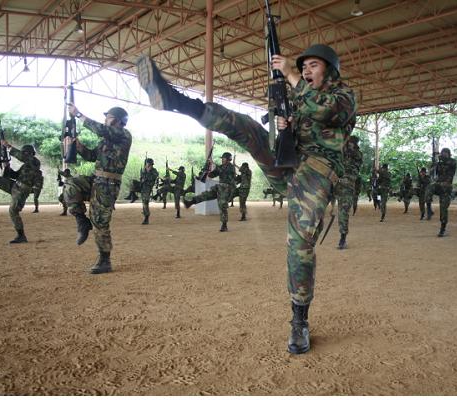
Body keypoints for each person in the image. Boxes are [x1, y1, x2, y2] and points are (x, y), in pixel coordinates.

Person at [137, 42, 356, 354]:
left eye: (313, 66)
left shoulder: (344, 94)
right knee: (247, 127)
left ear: (331, 70)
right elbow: (301, 119)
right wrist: (287, 125)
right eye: (303, 66)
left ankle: (299, 320)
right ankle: (177, 100)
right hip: (288, 164)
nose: (306, 71)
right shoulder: (300, 96)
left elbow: (328, 110)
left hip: (317, 170)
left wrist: (290, 75)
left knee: (300, 241)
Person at [64, 105, 132, 274]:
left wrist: (78, 114)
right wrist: (78, 146)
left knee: (100, 222)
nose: (105, 119)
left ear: (116, 120)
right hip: (96, 180)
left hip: (108, 185)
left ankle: (104, 260)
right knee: (70, 185)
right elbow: (91, 156)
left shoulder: (123, 135)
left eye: (107, 117)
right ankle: (82, 222)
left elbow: (101, 129)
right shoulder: (106, 140)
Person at [0, 143, 42, 243]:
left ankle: (21, 236)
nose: (24, 155)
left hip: (21, 190)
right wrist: (7, 168)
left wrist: (9, 147)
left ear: (30, 154)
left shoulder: (35, 162)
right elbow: (15, 175)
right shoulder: (25, 166)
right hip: (15, 186)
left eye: (25, 153)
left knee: (13, 211)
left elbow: (23, 157)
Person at [184, 152, 236, 231]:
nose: (222, 159)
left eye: (223, 158)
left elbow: (224, 171)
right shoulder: (221, 167)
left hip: (228, 187)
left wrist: (214, 163)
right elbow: (212, 175)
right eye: (222, 158)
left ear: (228, 159)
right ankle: (191, 202)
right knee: (206, 194)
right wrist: (208, 169)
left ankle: (224, 225)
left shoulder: (231, 167)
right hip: (220, 187)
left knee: (222, 205)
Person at [336, 135, 362, 249]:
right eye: (348, 142)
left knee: (343, 212)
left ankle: (343, 238)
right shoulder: (343, 152)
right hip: (336, 183)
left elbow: (353, 155)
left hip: (347, 186)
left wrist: (347, 146)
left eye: (351, 142)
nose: (348, 144)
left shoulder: (357, 154)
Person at [425, 148, 457, 237]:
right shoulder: (439, 163)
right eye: (442, 153)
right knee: (429, 187)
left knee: (443, 209)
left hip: (447, 188)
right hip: (439, 185)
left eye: (444, 153)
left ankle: (443, 229)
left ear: (448, 154)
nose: (442, 154)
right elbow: (431, 173)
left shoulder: (452, 162)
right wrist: (434, 163)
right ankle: (429, 209)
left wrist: (440, 158)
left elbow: (450, 164)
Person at [139, 158, 158, 225]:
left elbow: (153, 178)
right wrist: (142, 179)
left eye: (150, 164)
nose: (149, 165)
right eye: (148, 164)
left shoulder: (154, 171)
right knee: (144, 202)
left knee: (145, 202)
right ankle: (145, 214)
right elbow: (141, 177)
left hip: (148, 188)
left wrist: (148, 172)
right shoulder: (143, 169)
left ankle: (146, 217)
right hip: (143, 188)